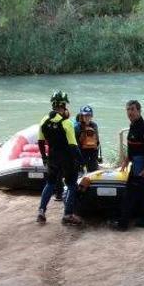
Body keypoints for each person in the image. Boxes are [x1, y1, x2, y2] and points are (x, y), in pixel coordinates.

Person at [36, 90, 83, 225]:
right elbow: (73, 146)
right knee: (72, 185)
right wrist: (81, 161)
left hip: (52, 157)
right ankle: (67, 215)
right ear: (63, 105)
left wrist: (44, 158)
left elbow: (40, 141)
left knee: (50, 183)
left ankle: (41, 211)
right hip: (67, 159)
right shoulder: (66, 122)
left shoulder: (44, 120)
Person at [117, 100, 144, 231]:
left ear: (139, 110)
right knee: (142, 193)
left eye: (132, 109)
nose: (129, 112)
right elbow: (132, 146)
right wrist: (126, 160)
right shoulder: (133, 125)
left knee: (129, 194)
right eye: (128, 110)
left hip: (141, 166)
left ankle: (123, 225)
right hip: (135, 163)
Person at [74, 105, 101, 174]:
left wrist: (98, 156)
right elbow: (75, 143)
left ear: (91, 116)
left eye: (89, 115)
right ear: (81, 116)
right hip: (81, 154)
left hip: (93, 154)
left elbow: (97, 141)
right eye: (85, 115)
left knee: (93, 172)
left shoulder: (94, 125)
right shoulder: (77, 127)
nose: (87, 117)